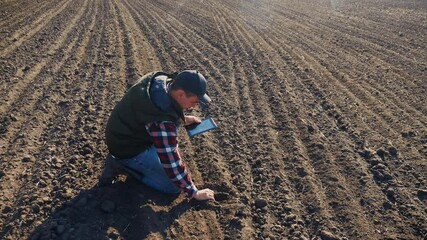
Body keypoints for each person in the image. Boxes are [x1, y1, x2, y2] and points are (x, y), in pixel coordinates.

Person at [103, 70, 215, 201]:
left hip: (124, 132)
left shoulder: (161, 82)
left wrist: (184, 118)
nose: (195, 106)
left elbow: (163, 110)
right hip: (126, 148)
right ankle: (122, 164)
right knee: (173, 186)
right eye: (194, 101)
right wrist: (193, 192)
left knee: (167, 140)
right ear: (181, 94)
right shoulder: (162, 121)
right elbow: (170, 160)